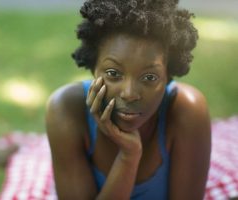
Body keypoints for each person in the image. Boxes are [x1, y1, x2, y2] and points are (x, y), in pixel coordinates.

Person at [46, 0, 211, 199]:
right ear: (93, 69)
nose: (129, 93)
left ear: (168, 75)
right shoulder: (66, 110)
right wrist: (128, 156)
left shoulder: (187, 111)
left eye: (149, 77)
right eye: (113, 73)